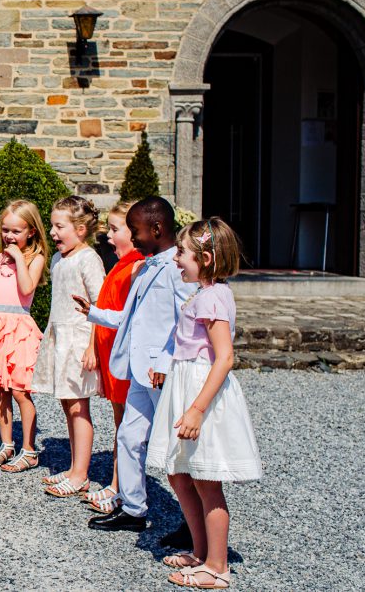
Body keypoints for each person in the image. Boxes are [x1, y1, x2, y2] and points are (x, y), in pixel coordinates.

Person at [147, 218, 261, 589]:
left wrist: (196, 408)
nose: (176, 258)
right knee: (179, 473)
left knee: (206, 479)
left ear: (207, 258)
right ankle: (200, 549)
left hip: (201, 392)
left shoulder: (212, 297)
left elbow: (224, 357)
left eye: (182, 253)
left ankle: (217, 566)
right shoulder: (205, 292)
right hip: (185, 385)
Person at [75, 197, 196, 532]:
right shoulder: (146, 267)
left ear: (156, 229)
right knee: (129, 436)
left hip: (162, 372)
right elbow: (131, 316)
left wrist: (164, 359)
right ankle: (133, 508)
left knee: (176, 447)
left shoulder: (178, 268)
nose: (132, 236)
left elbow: (187, 323)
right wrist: (93, 312)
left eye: (135, 230)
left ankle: (193, 521)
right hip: (140, 372)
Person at [32, 196, 106, 497]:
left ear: (80, 229)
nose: (52, 232)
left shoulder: (88, 259)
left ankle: (80, 474)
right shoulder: (60, 258)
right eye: (52, 225)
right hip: (60, 336)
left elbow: (100, 305)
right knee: (67, 404)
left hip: (78, 339)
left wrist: (92, 347)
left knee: (78, 406)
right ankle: (75, 466)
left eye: (59, 226)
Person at [0, 200, 48, 473]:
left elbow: (26, 289)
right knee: (0, 390)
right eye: (6, 230)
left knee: (19, 390)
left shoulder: (34, 260)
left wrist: (17, 258)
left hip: (19, 327)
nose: (9, 236)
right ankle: (6, 444)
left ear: (32, 232)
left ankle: (29, 449)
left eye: (16, 231)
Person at [79, 201, 143, 512]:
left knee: (126, 427)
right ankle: (119, 484)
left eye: (115, 230)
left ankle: (122, 488)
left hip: (124, 362)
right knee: (120, 424)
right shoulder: (120, 264)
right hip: (112, 359)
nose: (107, 236)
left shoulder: (135, 267)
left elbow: (128, 318)